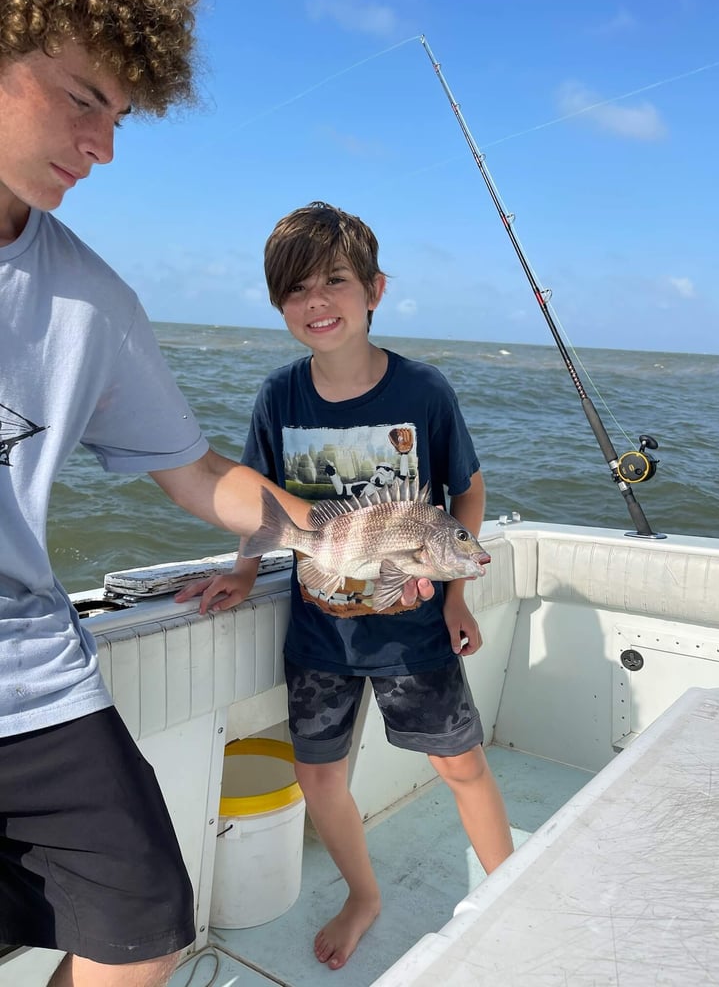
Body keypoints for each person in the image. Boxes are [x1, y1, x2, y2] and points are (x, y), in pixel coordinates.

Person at [0, 0, 433, 986]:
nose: (102, 145)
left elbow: (197, 472)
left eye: (120, 116)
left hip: (29, 678)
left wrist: (330, 534)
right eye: (82, 100)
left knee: (147, 928)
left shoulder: (93, 301)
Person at [176, 201, 514, 970]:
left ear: (375, 290)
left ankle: (510, 887)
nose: (316, 302)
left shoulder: (424, 392)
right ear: (279, 306)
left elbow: (467, 492)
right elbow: (256, 501)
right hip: (319, 632)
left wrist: (454, 593)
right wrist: (240, 570)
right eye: (296, 290)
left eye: (334, 281)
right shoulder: (278, 397)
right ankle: (364, 895)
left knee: (461, 763)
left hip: (413, 633)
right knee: (318, 775)